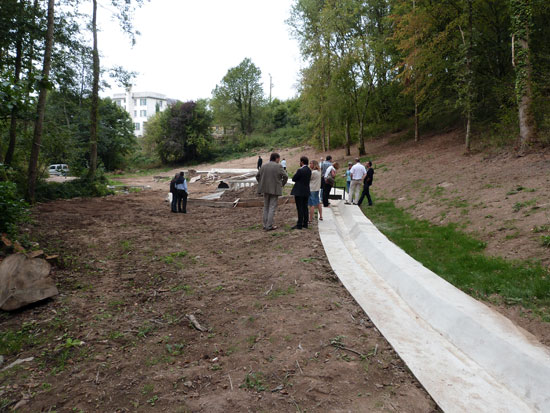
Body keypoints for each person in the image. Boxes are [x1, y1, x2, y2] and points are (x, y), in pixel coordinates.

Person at [256, 152, 288, 231]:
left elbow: (257, 176)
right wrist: (282, 184)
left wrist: (261, 183)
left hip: (265, 189)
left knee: (266, 206)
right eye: (278, 159)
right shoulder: (279, 166)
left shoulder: (264, 166)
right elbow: (286, 176)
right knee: (272, 207)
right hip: (275, 189)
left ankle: (264, 224)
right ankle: (269, 226)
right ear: (276, 158)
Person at [290, 156, 311, 230]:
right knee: (305, 207)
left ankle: (299, 224)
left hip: (299, 191)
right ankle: (305, 223)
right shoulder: (309, 170)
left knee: (300, 208)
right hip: (306, 191)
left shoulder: (300, 170)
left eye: (300, 161)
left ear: (302, 162)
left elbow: (293, 179)